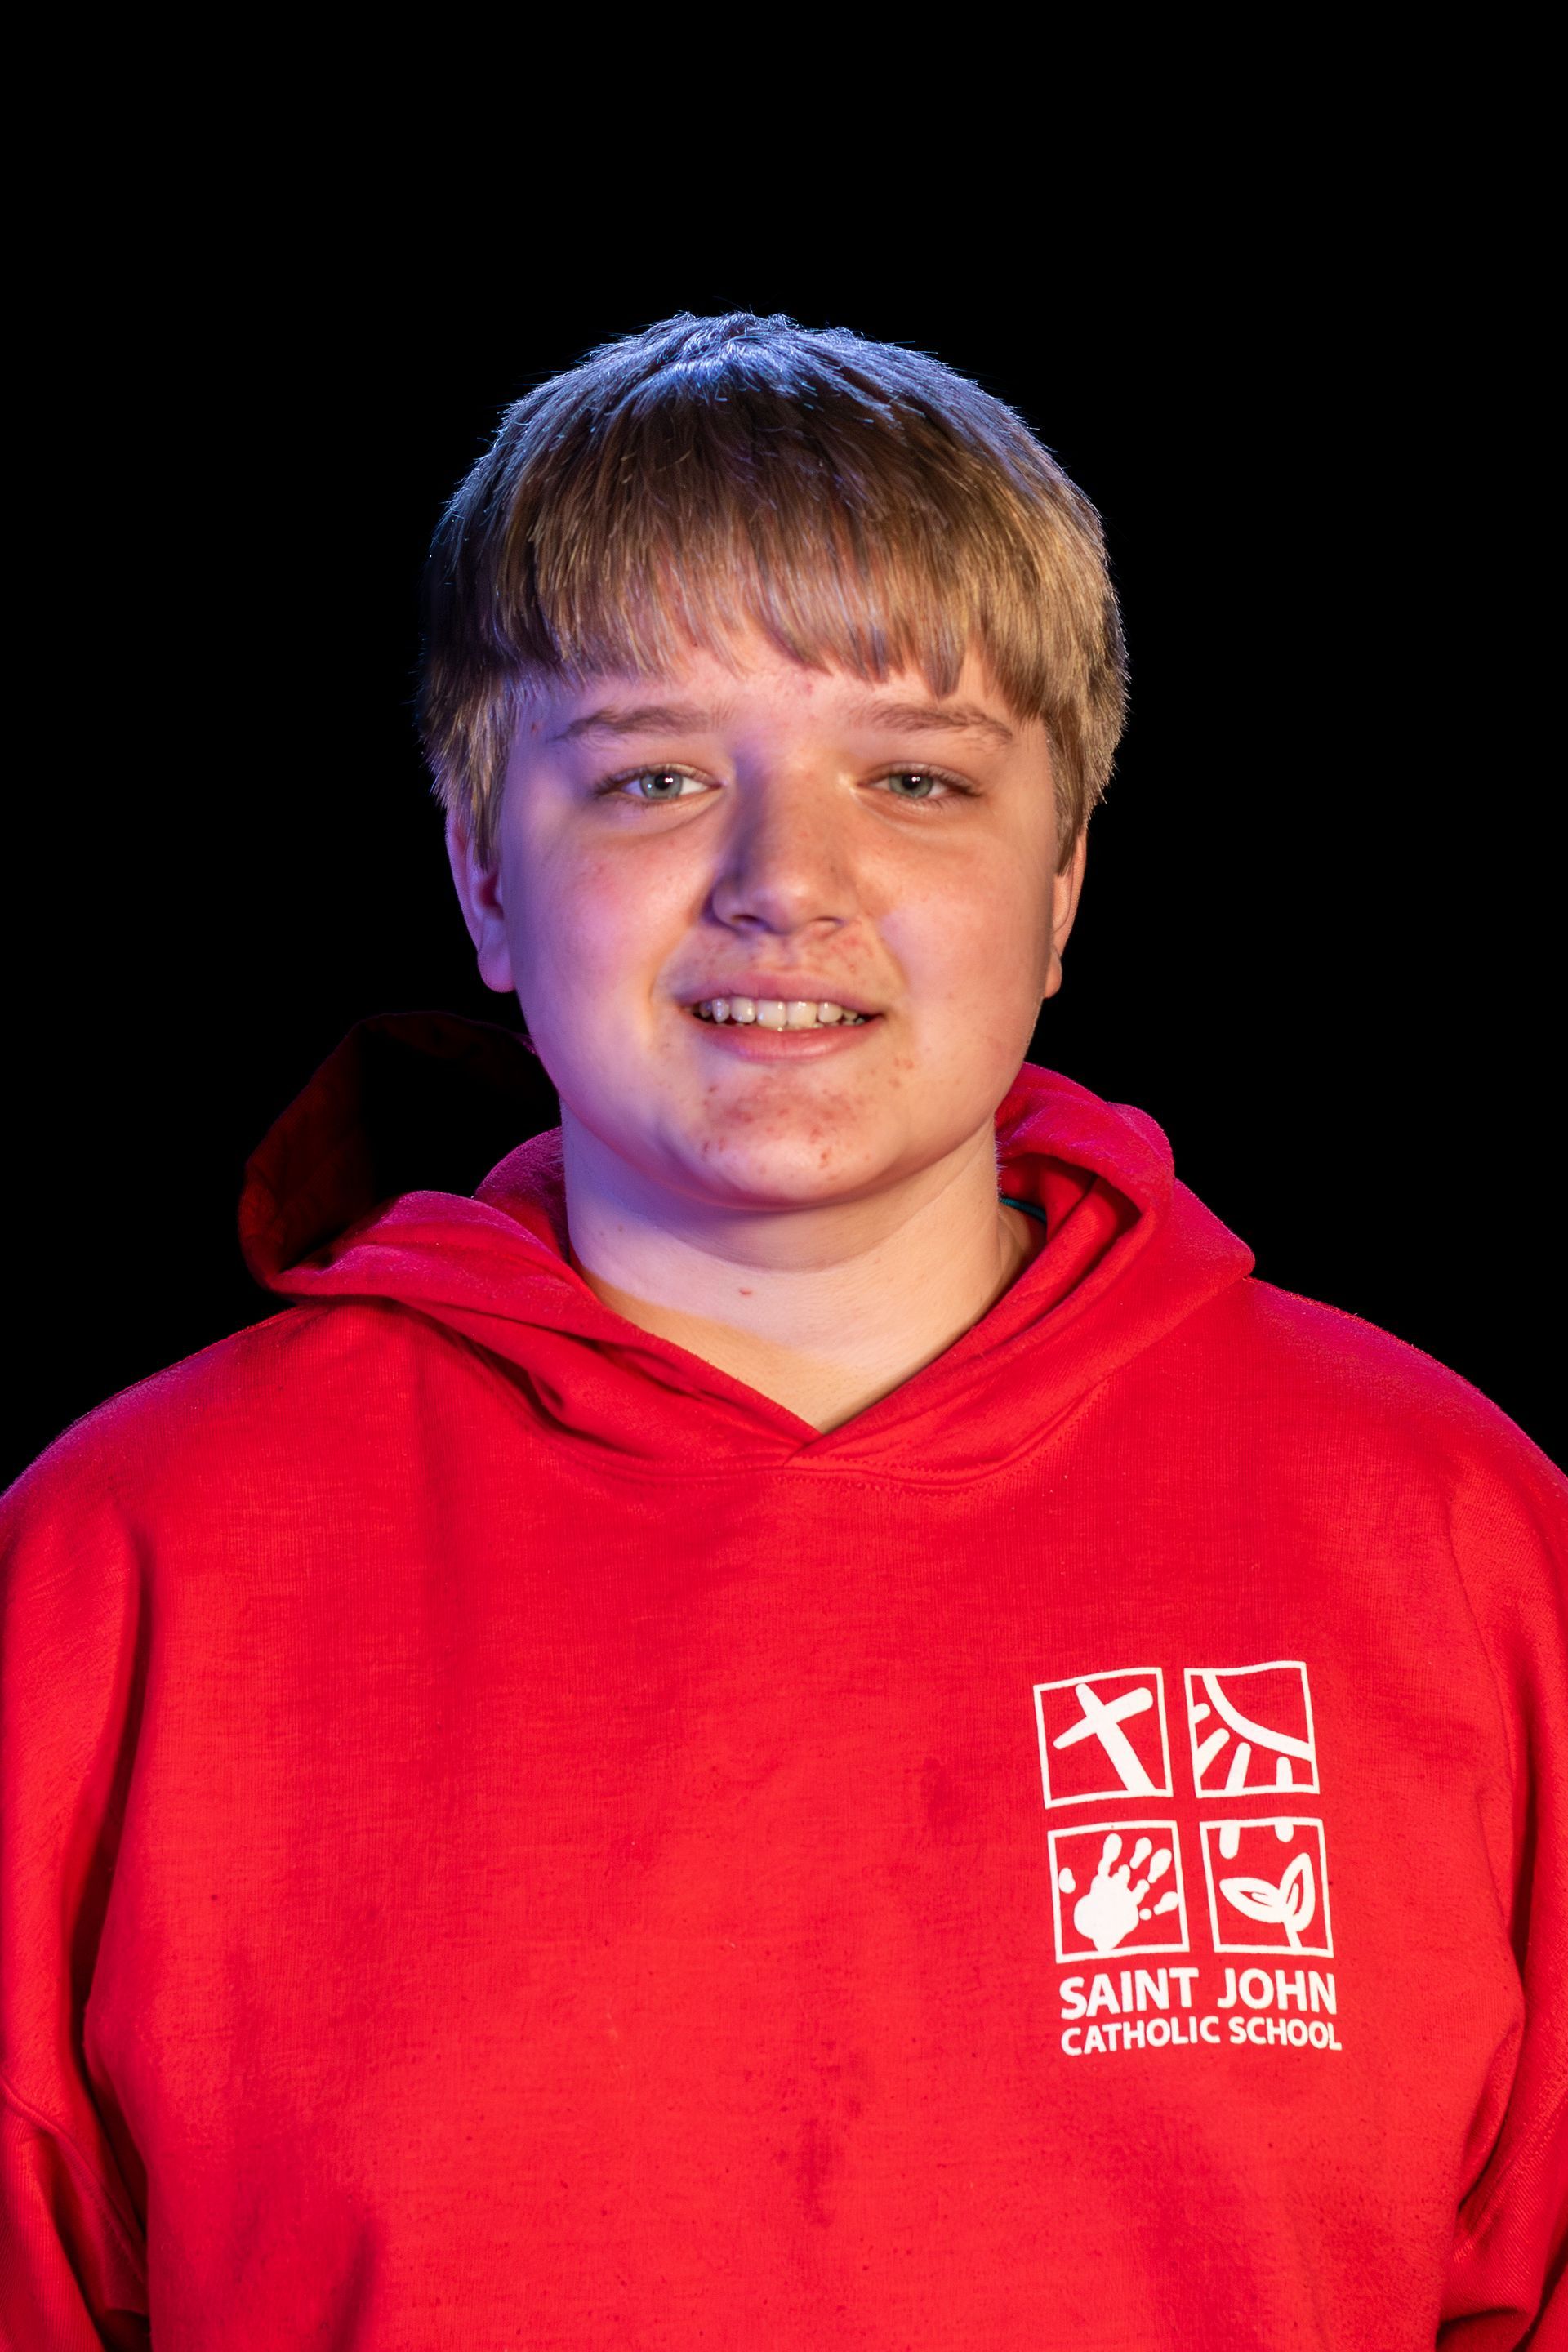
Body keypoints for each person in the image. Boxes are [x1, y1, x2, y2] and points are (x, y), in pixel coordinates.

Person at [2, 312, 1562, 2350]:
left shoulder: (1451, 1527)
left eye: (914, 777)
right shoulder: (126, 1560)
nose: (784, 883)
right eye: (652, 775)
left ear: (1066, 879)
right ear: (483, 871)